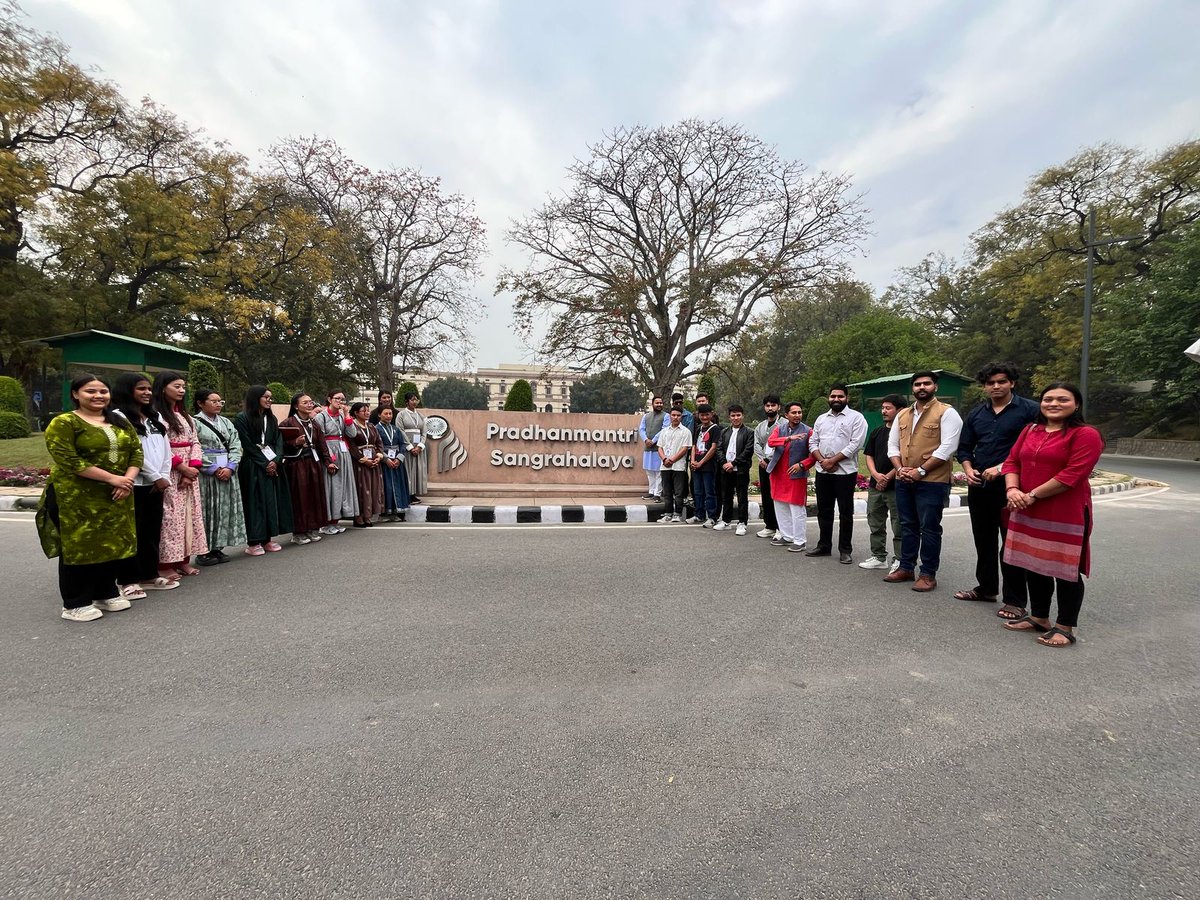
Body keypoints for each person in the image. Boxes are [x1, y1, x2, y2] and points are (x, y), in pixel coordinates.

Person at [1000, 383, 1105, 647]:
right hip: (1026, 508)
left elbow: (1072, 474)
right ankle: (1039, 617)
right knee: (1033, 563)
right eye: (1048, 399)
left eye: (1062, 399)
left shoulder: (1086, 434)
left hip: (1064, 512)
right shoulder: (1030, 430)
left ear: (1076, 404)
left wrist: (1031, 495)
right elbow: (1012, 461)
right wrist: (1012, 488)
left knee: (1065, 569)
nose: (1053, 404)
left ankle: (1065, 626)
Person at [42, 375, 142, 621]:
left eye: (103, 391)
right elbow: (69, 460)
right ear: (76, 394)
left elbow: (136, 452)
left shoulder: (119, 421)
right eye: (90, 391)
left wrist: (126, 480)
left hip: (117, 493)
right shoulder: (64, 422)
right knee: (80, 546)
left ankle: (106, 592)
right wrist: (112, 479)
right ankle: (75, 602)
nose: (98, 396)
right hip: (75, 497)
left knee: (111, 543)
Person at [954, 363, 1040, 619]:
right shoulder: (977, 413)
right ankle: (987, 588)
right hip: (980, 485)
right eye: (990, 383)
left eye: (1001, 381)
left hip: (1013, 486)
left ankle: (1014, 600)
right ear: (984, 386)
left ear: (1012, 383)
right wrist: (968, 468)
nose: (996, 386)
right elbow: (965, 447)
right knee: (984, 540)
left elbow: (1035, 448)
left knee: (1011, 543)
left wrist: (1002, 468)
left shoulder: (1030, 411)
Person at [883, 371, 963, 593]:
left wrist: (920, 470)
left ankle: (928, 573)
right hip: (904, 479)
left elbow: (948, 448)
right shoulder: (903, 415)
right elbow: (892, 446)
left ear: (935, 387)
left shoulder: (947, 413)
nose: (922, 387)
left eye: (927, 383)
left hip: (933, 481)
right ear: (913, 389)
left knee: (929, 528)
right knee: (907, 525)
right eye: (917, 384)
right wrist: (900, 469)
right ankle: (906, 567)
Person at [110, 373, 178, 595]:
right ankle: (128, 579)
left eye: (149, 389)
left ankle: (149, 574)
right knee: (133, 532)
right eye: (141, 389)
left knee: (151, 530)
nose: (147, 392)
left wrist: (164, 475)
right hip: (134, 483)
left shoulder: (154, 416)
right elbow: (134, 451)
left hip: (157, 483)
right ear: (127, 390)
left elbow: (166, 449)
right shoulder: (118, 417)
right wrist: (154, 475)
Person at [152, 371, 208, 578]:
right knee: (170, 518)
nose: (181, 390)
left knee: (189, 516)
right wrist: (181, 468)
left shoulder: (185, 416)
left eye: (183, 386)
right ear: (162, 387)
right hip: (170, 472)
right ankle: (165, 564)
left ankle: (184, 559)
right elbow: (160, 445)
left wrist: (192, 468)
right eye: (176, 386)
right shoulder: (155, 415)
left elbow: (195, 441)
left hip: (189, 474)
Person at [807, 383, 868, 564]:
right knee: (824, 511)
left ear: (846, 398)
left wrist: (832, 461)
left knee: (845, 512)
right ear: (829, 397)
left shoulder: (856, 418)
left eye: (840, 396)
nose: (836, 399)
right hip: (822, 472)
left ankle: (845, 550)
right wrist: (822, 462)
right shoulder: (821, 419)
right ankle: (824, 545)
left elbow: (855, 444)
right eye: (833, 396)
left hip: (845, 473)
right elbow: (813, 442)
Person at [234, 385, 294, 555]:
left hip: (272, 464)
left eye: (270, 397)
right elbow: (247, 444)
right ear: (255, 398)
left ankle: (268, 538)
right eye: (266, 397)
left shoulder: (272, 418)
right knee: (254, 502)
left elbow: (277, 441)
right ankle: (253, 541)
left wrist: (275, 460)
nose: (269, 400)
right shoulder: (242, 418)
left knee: (270, 500)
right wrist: (264, 463)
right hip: (253, 465)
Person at [193, 388, 248, 564]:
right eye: (213, 401)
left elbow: (235, 444)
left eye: (220, 402)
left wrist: (231, 466)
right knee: (207, 508)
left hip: (227, 469)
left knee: (224, 508)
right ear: (200, 403)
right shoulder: (194, 423)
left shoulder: (226, 422)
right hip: (208, 474)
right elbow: (194, 449)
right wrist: (214, 468)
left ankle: (218, 547)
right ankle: (203, 550)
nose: (218, 404)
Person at [859, 394, 906, 572]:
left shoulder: (904, 433)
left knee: (899, 524)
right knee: (875, 522)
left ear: (900, 410)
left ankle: (900, 559)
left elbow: (905, 459)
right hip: (875, 486)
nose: (884, 411)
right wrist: (876, 475)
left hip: (896, 486)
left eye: (888, 408)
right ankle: (879, 557)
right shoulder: (877, 431)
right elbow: (868, 455)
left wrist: (888, 476)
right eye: (883, 408)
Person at [279, 392, 331, 543]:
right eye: (305, 402)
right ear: (296, 406)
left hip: (313, 463)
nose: (310, 405)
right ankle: (298, 532)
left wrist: (328, 461)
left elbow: (322, 445)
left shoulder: (314, 424)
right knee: (299, 497)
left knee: (314, 496)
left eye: (311, 402)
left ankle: (311, 528)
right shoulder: (287, 423)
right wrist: (295, 442)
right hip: (296, 464)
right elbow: (280, 445)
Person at [766, 401, 812, 552]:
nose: (797, 415)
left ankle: (800, 541)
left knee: (797, 508)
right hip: (779, 473)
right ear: (786, 415)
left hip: (796, 474)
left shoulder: (808, 431)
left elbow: (814, 455)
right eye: (794, 413)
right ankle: (787, 536)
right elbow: (771, 442)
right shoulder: (780, 428)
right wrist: (787, 439)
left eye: (799, 412)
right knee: (780, 505)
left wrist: (802, 465)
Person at [314, 390, 359, 533]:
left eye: (343, 399)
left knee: (342, 486)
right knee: (331, 487)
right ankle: (326, 522)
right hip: (329, 451)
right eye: (337, 398)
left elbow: (352, 434)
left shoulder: (341, 416)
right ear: (329, 399)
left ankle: (335, 520)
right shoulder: (321, 417)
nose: (340, 401)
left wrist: (347, 415)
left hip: (343, 452)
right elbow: (318, 438)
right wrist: (327, 456)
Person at [714, 404, 754, 535]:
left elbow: (748, 451)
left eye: (738, 415)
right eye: (733, 415)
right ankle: (726, 521)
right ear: (729, 417)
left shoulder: (749, 432)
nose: (736, 418)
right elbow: (719, 449)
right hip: (726, 470)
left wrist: (734, 463)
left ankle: (742, 523)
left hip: (741, 470)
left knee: (742, 497)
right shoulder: (724, 432)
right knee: (726, 496)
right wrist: (725, 463)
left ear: (742, 416)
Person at [347, 401, 384, 526]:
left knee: (373, 488)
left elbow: (379, 443)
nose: (367, 413)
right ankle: (358, 517)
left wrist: (379, 456)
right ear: (356, 413)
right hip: (360, 463)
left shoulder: (372, 427)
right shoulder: (352, 427)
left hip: (373, 461)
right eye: (364, 411)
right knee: (361, 489)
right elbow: (351, 445)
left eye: (368, 410)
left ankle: (368, 516)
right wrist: (363, 460)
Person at [655, 407, 692, 523]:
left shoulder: (686, 431)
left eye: (678, 415)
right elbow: (660, 447)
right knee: (667, 491)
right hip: (665, 465)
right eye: (673, 415)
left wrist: (672, 459)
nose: (675, 417)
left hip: (679, 466)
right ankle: (668, 514)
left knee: (679, 491)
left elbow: (685, 448)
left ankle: (677, 514)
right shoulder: (664, 431)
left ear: (681, 417)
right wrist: (665, 459)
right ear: (670, 416)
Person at [375, 405, 411, 521]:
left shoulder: (396, 429)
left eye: (390, 413)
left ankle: (396, 512)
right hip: (384, 463)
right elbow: (376, 446)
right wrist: (386, 459)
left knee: (398, 485)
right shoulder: (376, 429)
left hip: (397, 463)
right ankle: (385, 513)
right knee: (387, 486)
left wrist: (399, 458)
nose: (389, 416)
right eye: (386, 414)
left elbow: (403, 444)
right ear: (380, 415)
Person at [753, 395, 782, 539]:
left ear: (779, 407)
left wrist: (771, 460)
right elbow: (757, 444)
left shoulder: (784, 424)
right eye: (767, 406)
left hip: (778, 465)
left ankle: (780, 527)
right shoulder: (760, 426)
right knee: (766, 494)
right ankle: (769, 525)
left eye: (773, 405)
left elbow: (782, 445)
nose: (770, 408)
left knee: (778, 496)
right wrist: (762, 459)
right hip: (763, 465)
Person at [689, 404, 721, 526]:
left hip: (708, 466)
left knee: (709, 492)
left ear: (711, 414)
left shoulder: (715, 429)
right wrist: (692, 460)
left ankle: (712, 517)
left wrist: (701, 462)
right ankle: (699, 514)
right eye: (702, 415)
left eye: (707, 414)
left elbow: (713, 448)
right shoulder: (697, 428)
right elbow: (693, 445)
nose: (704, 417)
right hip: (696, 465)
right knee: (697, 492)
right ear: (698, 415)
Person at [398, 391, 429, 503]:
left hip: (419, 448)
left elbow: (424, 432)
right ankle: (408, 494)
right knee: (408, 470)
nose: (414, 402)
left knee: (418, 470)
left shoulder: (420, 416)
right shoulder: (401, 415)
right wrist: (410, 447)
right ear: (407, 402)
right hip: (408, 448)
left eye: (416, 399)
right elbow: (400, 431)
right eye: (412, 400)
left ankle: (414, 493)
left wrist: (420, 446)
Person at [638, 396, 666, 501]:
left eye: (661, 403)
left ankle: (657, 494)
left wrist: (653, 440)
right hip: (648, 448)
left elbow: (664, 430)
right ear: (652, 404)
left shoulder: (666, 416)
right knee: (649, 471)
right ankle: (651, 491)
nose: (659, 405)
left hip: (658, 448)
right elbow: (641, 429)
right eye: (657, 403)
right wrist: (646, 440)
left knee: (658, 472)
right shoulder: (646, 416)